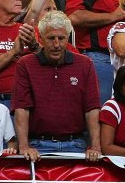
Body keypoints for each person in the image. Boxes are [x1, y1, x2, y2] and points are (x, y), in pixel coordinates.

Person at [12, 11, 102, 161]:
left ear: (68, 38)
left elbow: (92, 108)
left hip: (76, 144)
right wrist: (24, 146)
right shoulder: (25, 64)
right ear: (40, 38)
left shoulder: (85, 64)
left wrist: (95, 147)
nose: (56, 44)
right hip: (38, 146)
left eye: (61, 38)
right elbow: (22, 108)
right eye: (51, 38)